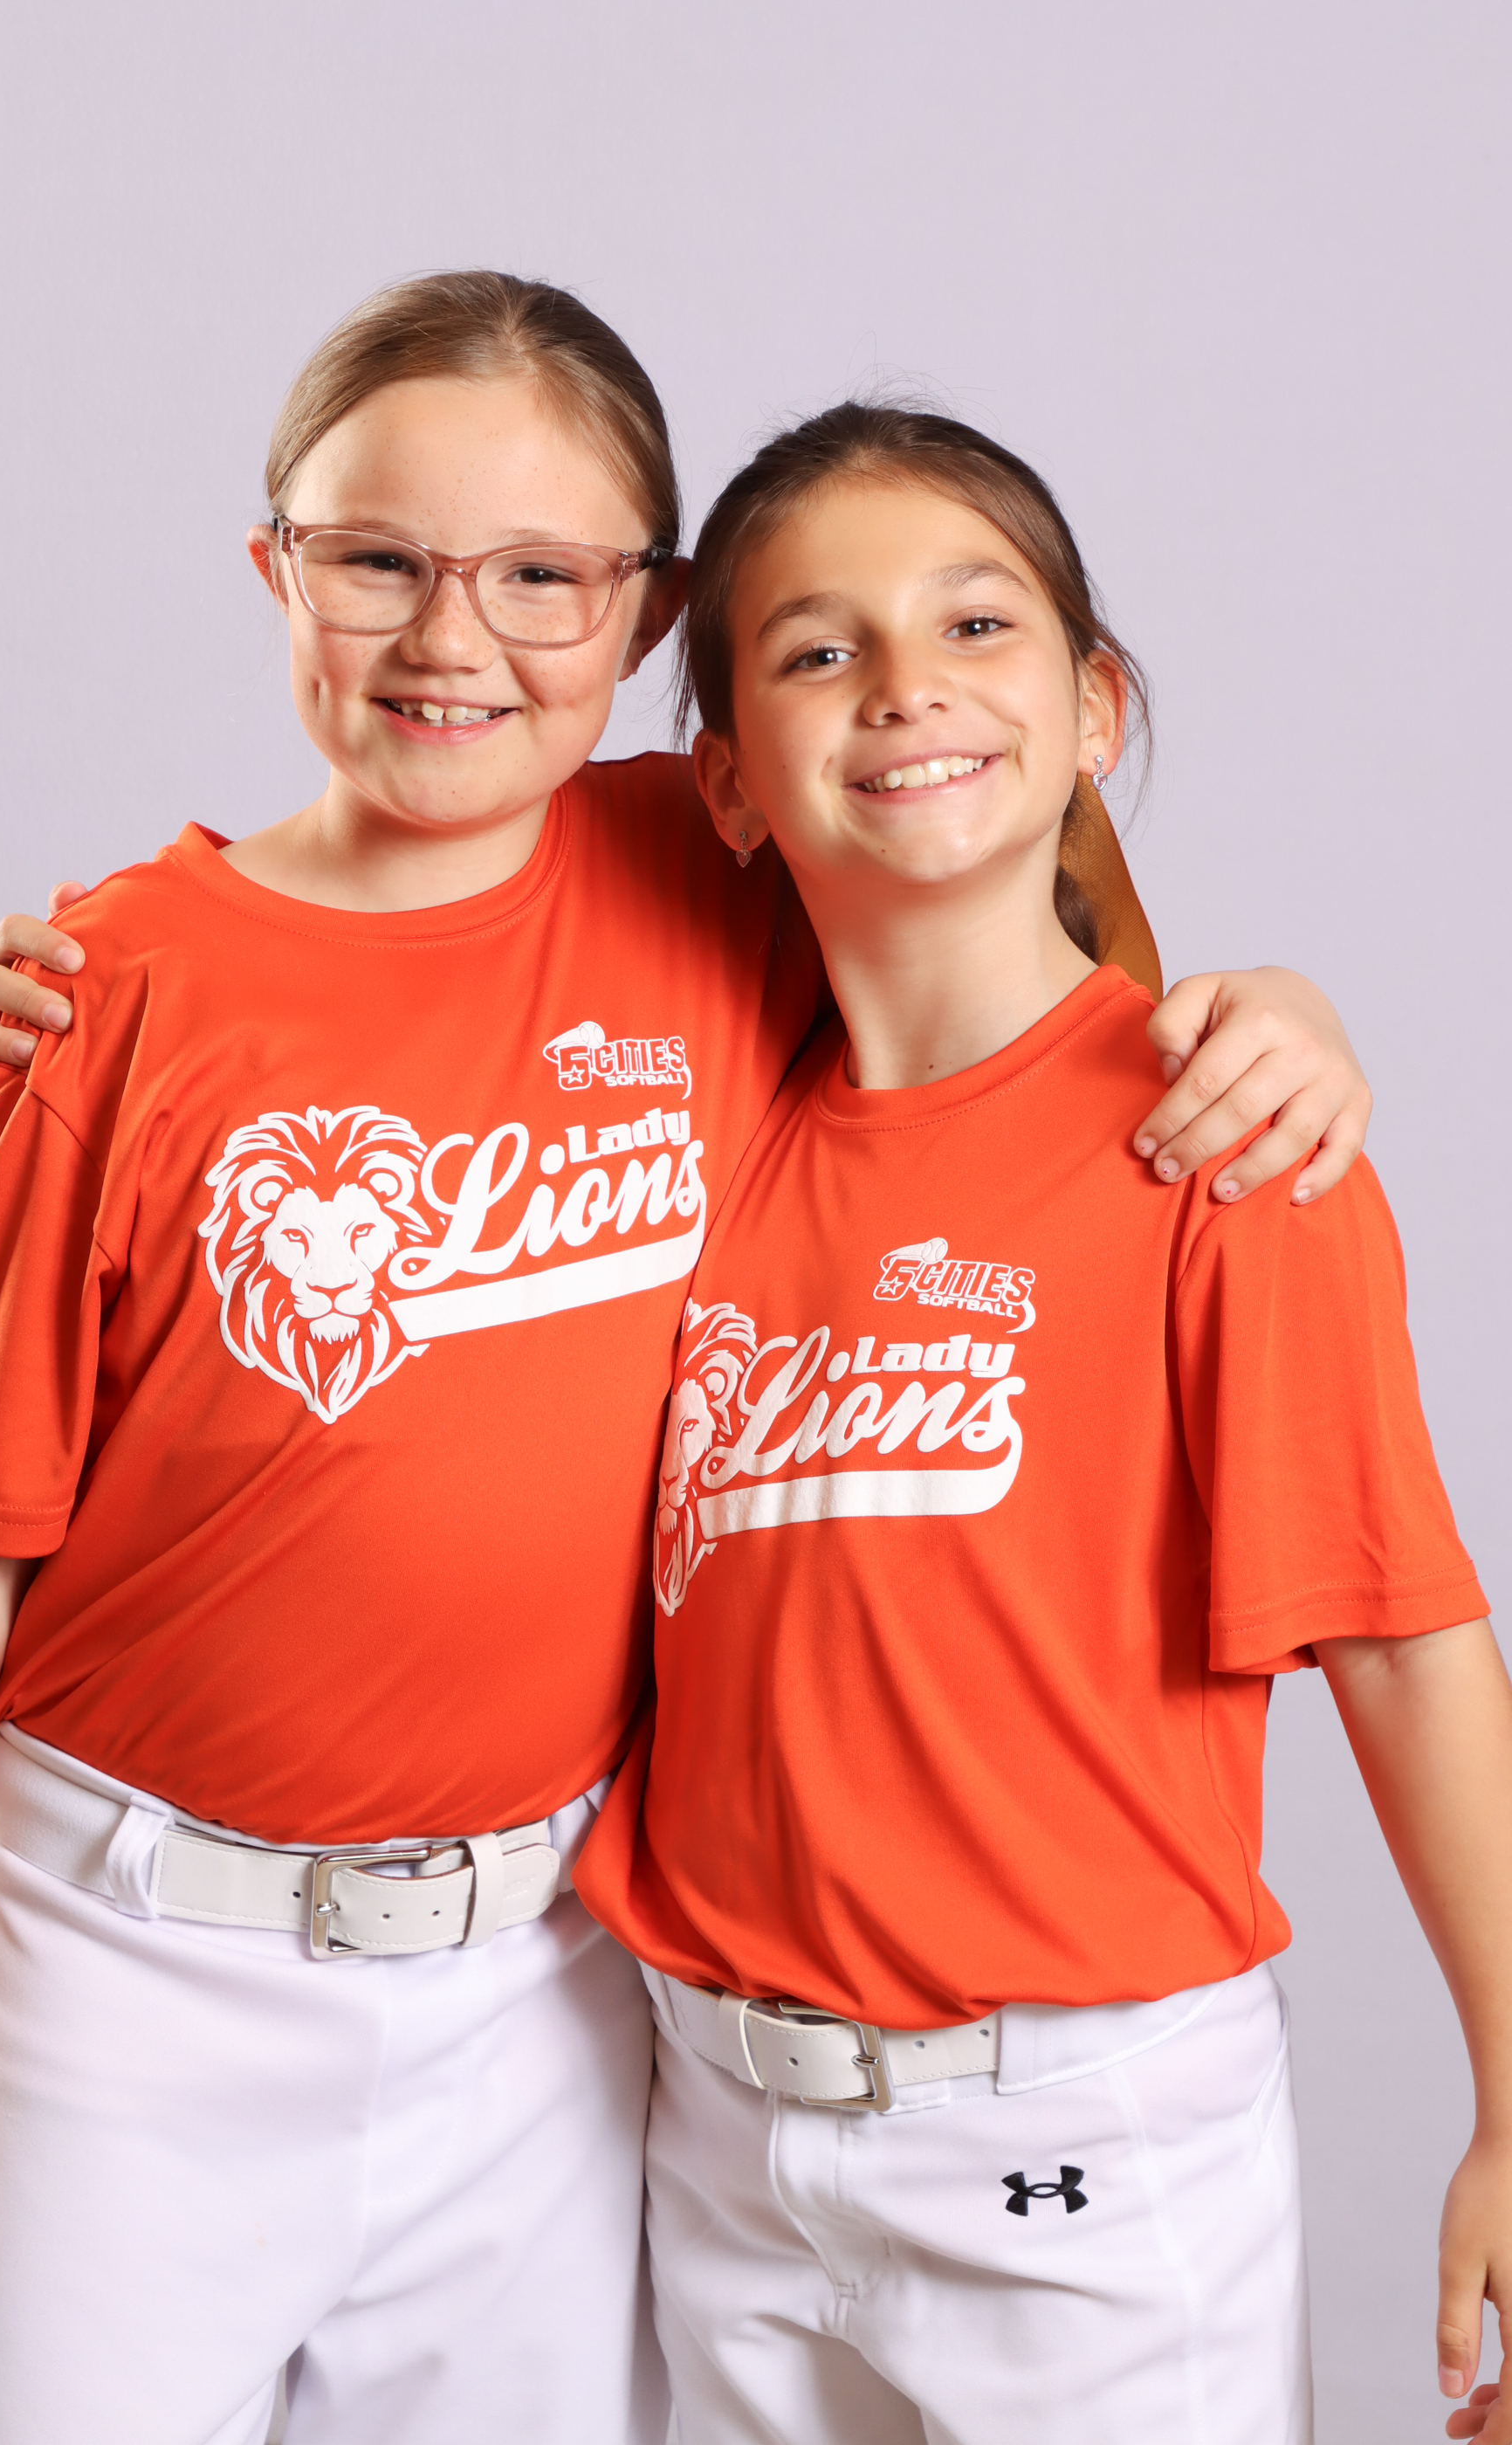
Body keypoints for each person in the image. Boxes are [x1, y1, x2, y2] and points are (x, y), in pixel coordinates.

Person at [0, 273, 1370, 2445]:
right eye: (377, 561)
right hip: (131, 1971)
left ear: (644, 614)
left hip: (541, 1990)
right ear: (277, 569)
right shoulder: (113, 988)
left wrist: (1263, 1012)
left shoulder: (704, 856)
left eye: (540, 576)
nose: (456, 638)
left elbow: (987, 894)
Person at [572, 400, 1509, 2445]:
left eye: (976, 623)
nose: (905, 683)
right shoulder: (693, 1152)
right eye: (817, 647)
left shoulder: (1226, 1145)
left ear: (1094, 708)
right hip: (711, 2134)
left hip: (1076, 2137)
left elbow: (1402, 1639)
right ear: (723, 780)